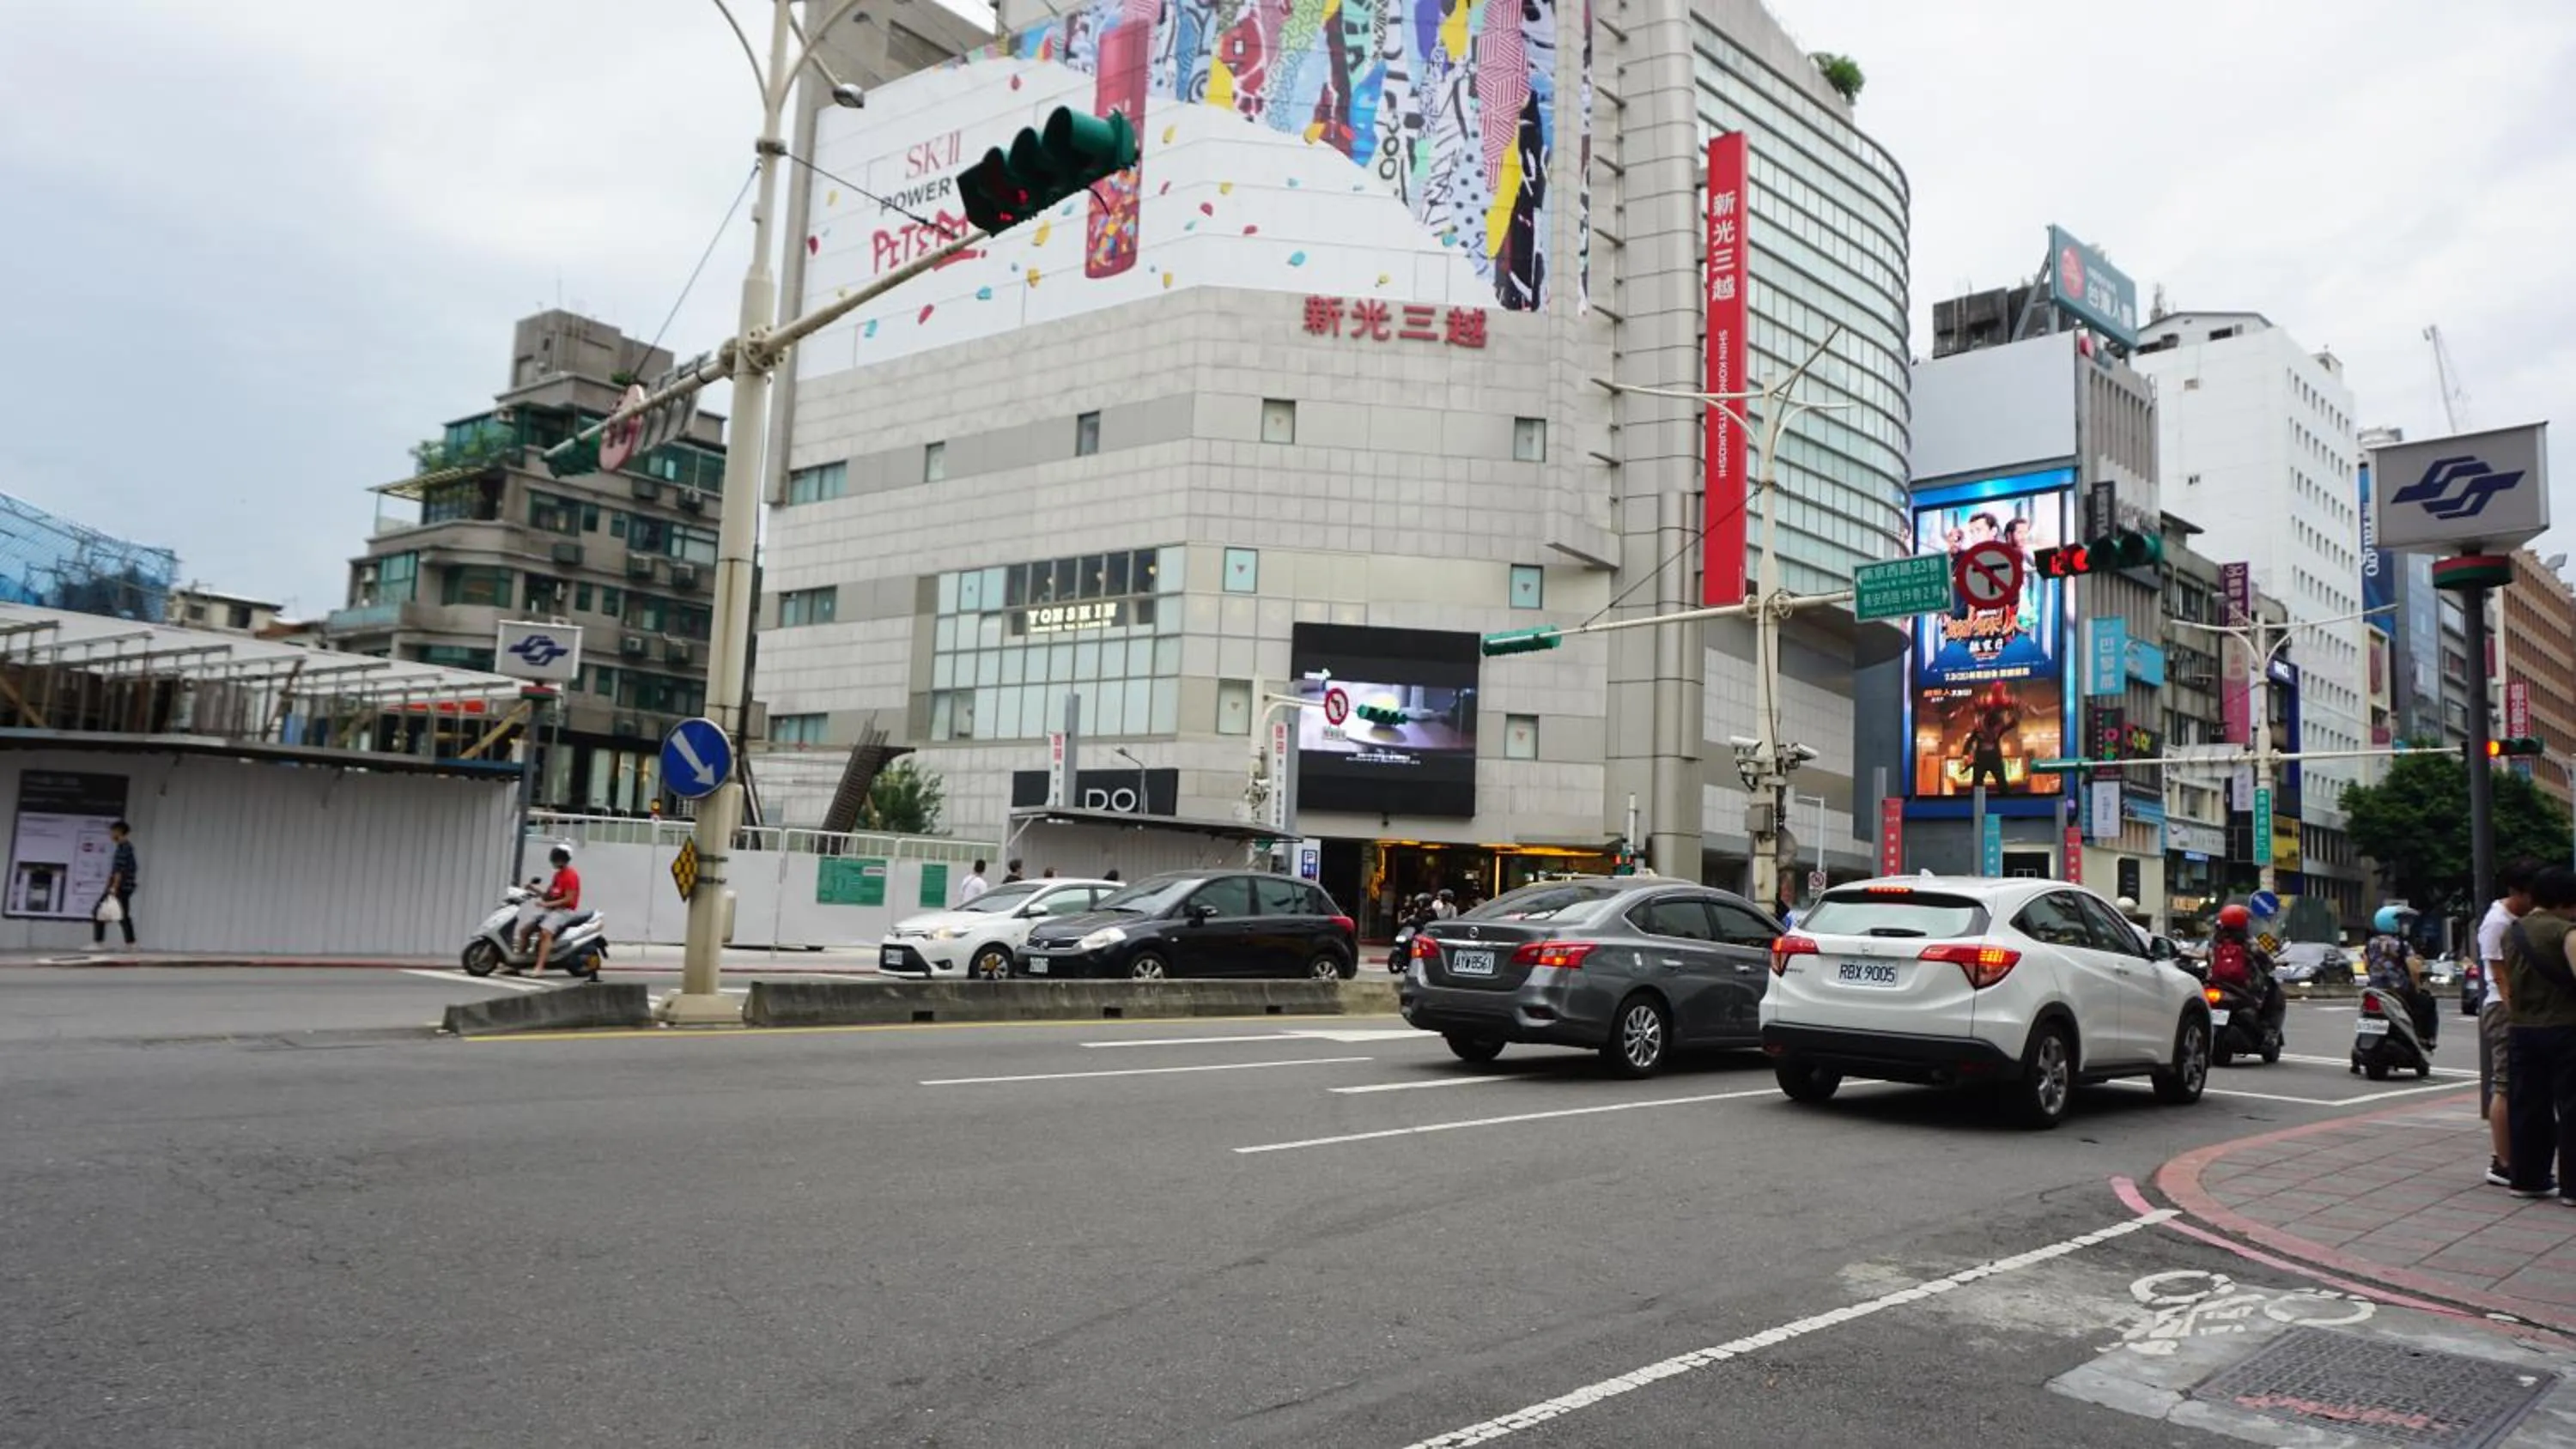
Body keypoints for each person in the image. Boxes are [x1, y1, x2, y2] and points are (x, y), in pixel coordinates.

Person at [2500, 865, 2576, 1203]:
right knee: (2572, 1107)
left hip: (2522, 1029)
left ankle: (2527, 1179)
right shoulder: (2567, 932)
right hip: (2565, 1028)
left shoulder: (2513, 932)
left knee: (2528, 1105)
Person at [2477, 860, 2537, 1187]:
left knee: (2517, 1084)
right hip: (2503, 1009)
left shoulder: (2521, 916)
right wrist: (2518, 1016)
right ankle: (2502, 1162)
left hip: (2519, 1008)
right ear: (2516, 891)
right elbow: (2499, 975)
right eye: (2532, 894)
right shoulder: (2497, 922)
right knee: (2504, 1083)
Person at [519, 846, 582, 977]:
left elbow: (569, 900)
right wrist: (533, 889)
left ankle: (539, 967)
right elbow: (549, 895)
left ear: (564, 859)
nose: (554, 861)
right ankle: (517, 964)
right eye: (554, 858)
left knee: (545, 933)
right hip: (551, 909)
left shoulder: (571, 876)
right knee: (525, 931)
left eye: (557, 858)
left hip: (564, 911)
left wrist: (547, 904)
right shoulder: (557, 875)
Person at [93, 819, 137, 948]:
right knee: (123, 915)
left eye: (112, 832)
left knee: (98, 912)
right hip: (124, 887)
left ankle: (99, 943)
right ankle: (131, 943)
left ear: (119, 832)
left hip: (121, 887)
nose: (111, 835)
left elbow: (119, 871)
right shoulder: (125, 847)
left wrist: (113, 888)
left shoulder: (124, 849)